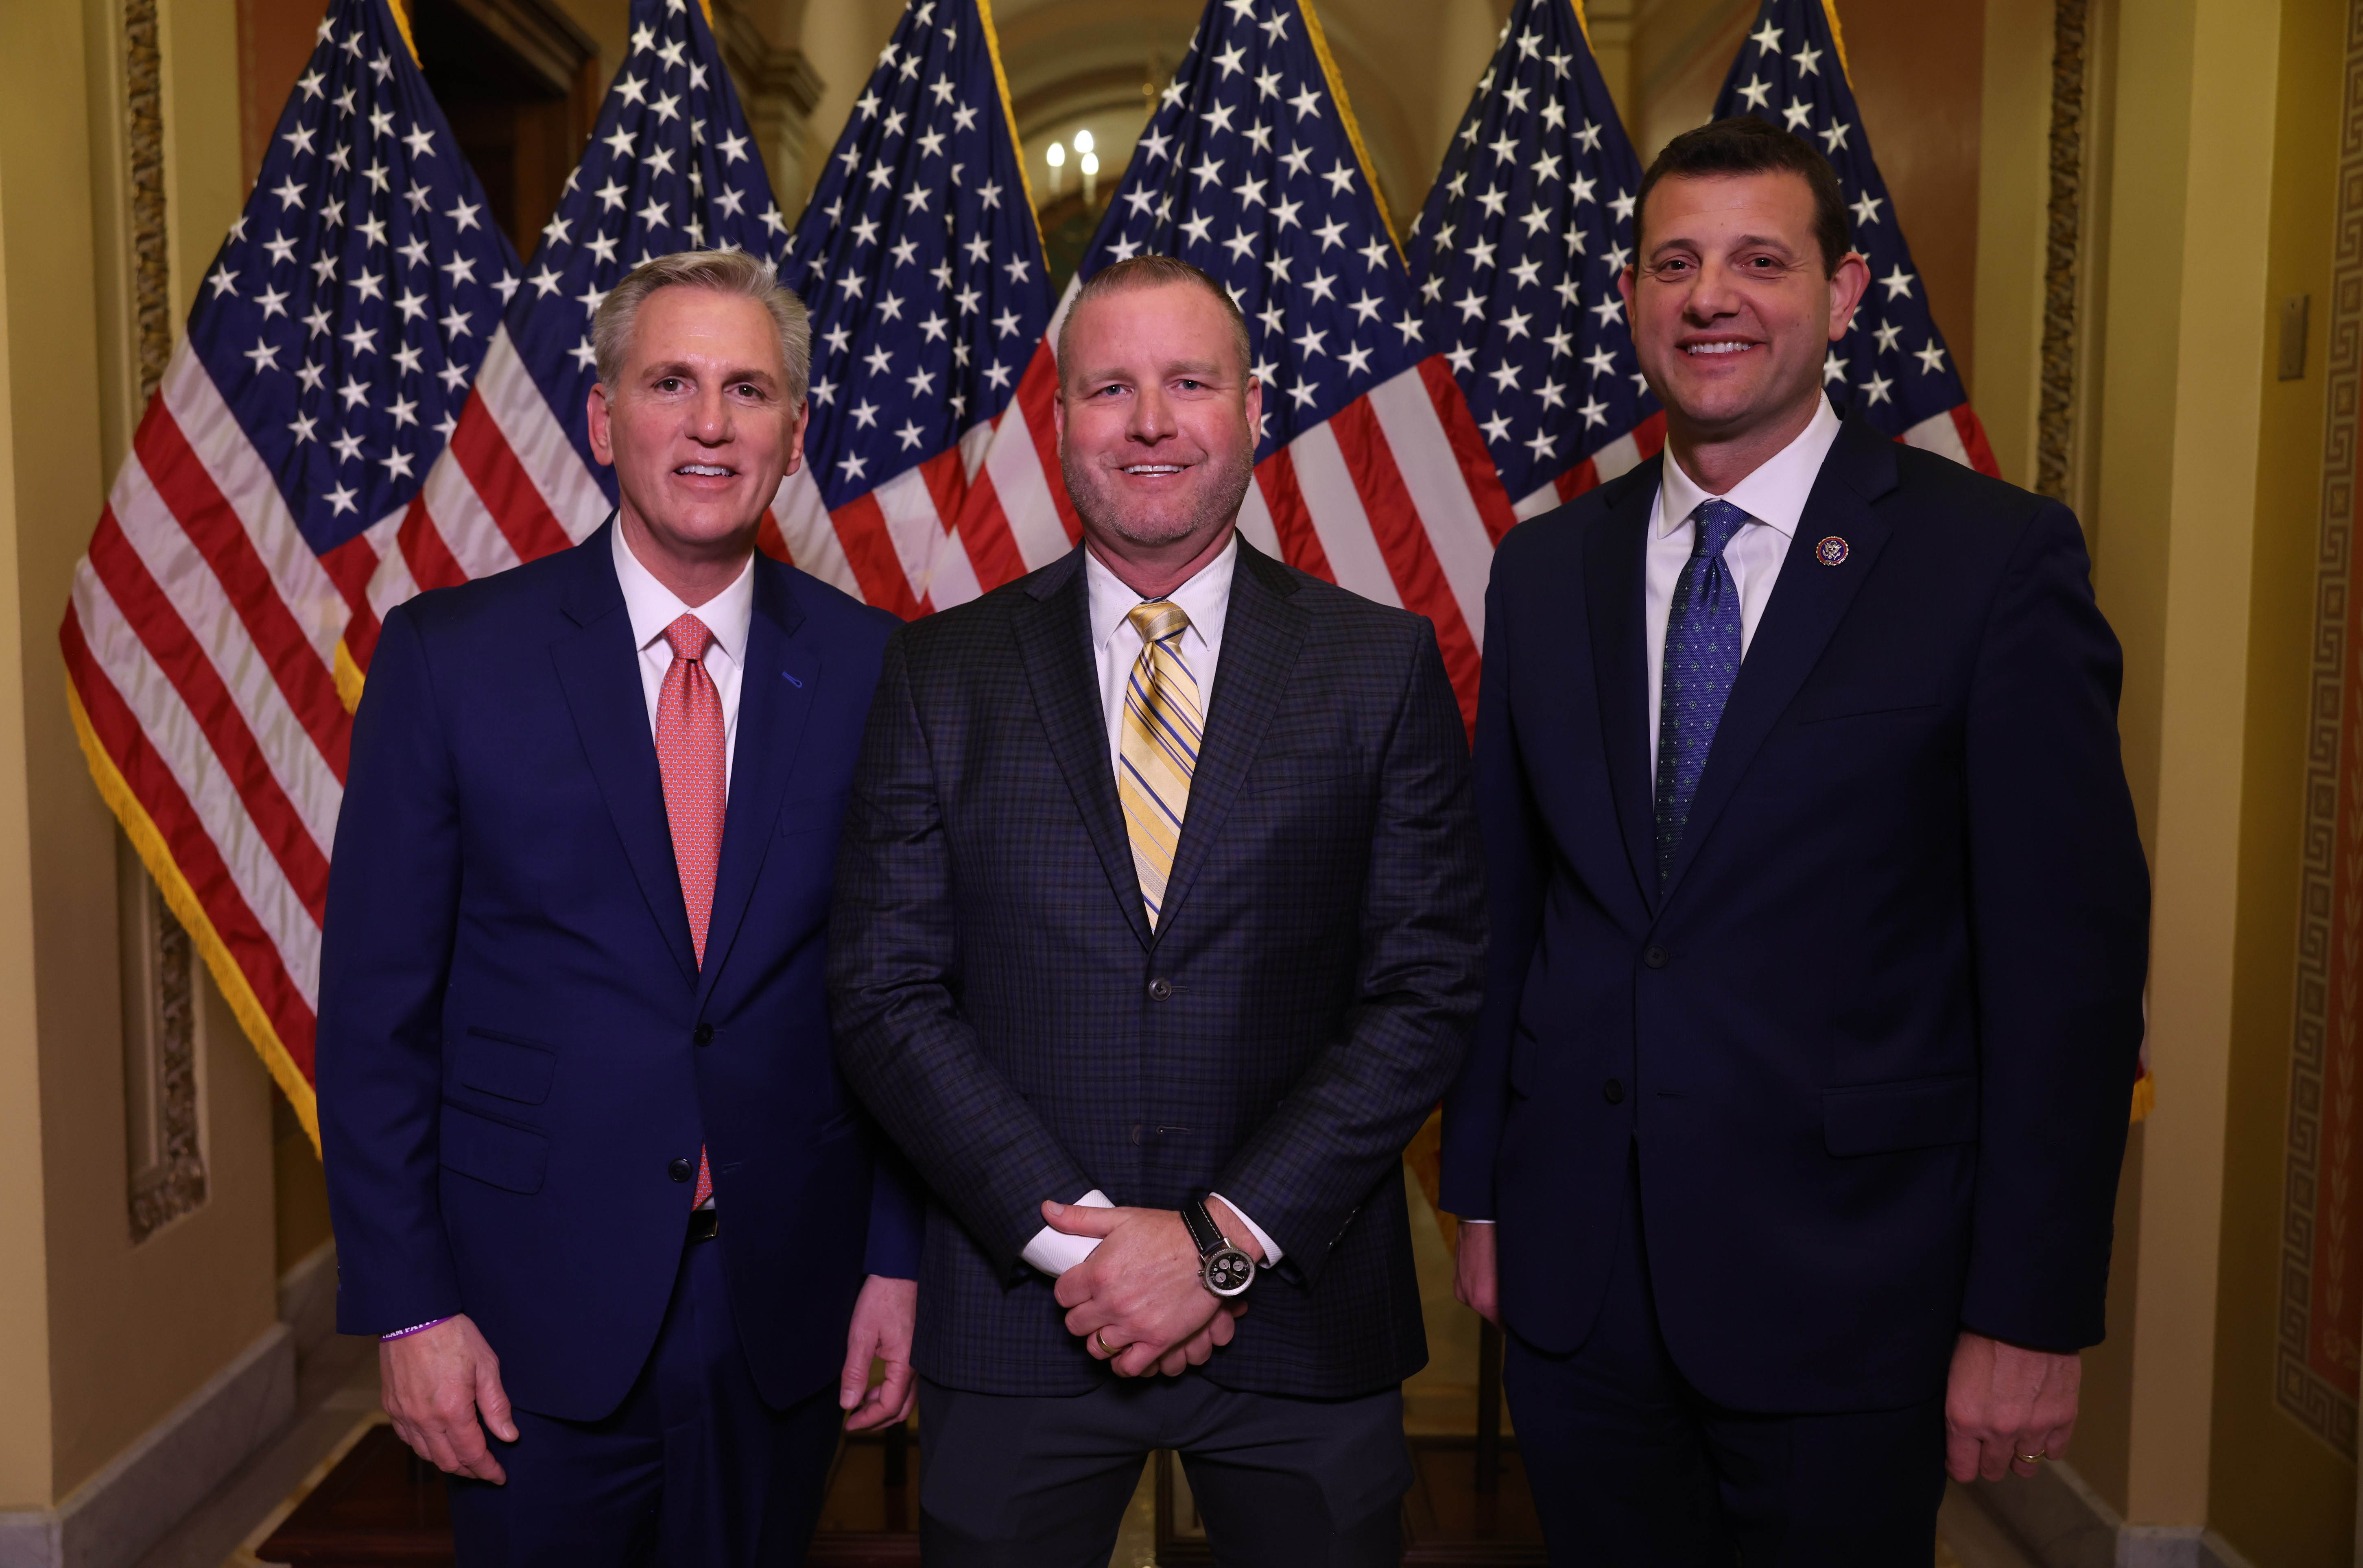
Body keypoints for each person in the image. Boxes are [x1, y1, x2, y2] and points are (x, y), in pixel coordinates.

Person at [1441, 116, 2150, 1562]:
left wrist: (2028, 1307)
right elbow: (1505, 908)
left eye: (1762, 261)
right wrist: (1482, 1194)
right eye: (1675, 263)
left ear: (1844, 295)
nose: (1712, 297)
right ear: (1633, 299)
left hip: (1853, 1292)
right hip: (1580, 1290)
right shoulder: (1546, 568)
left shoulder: (1993, 563)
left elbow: (2066, 979)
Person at [826, 253, 1485, 1567]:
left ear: (1253, 407)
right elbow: (885, 990)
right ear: (1059, 420)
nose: (1149, 421)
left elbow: (1425, 989)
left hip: (1297, 1307)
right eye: (1108, 387)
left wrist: (1219, 1245)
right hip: (1025, 1315)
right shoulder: (937, 670)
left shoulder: (1380, 663)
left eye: (1190, 382)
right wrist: (1077, 1248)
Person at [319, 248, 921, 1567]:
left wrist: (897, 1261)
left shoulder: (886, 670)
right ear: (602, 418)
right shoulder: (448, 660)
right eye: (671, 384)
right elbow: (375, 1021)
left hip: (787, 1300)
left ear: (792, 431)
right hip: (525, 1308)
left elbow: (907, 1006)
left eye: (748, 390)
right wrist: (411, 1309)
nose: (711, 424)